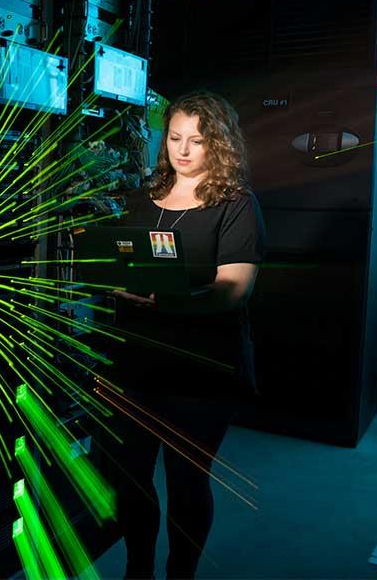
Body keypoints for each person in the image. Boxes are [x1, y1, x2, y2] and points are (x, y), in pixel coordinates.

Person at [98, 90, 267, 579]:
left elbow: (233, 290)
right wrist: (112, 279)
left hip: (200, 369)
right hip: (135, 363)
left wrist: (166, 301)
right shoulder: (140, 197)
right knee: (128, 476)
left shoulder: (236, 206)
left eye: (197, 140)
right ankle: (138, 569)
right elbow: (117, 261)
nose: (184, 150)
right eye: (175, 138)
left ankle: (180, 574)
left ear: (220, 144)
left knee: (187, 482)